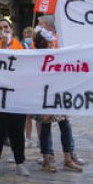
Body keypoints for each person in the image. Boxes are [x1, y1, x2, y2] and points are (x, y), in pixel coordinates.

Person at [32, 32, 83, 173]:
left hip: (58, 96)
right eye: (49, 41)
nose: (52, 43)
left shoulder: (58, 55)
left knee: (65, 125)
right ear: (43, 42)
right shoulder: (35, 57)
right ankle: (48, 159)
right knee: (45, 127)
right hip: (44, 98)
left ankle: (68, 159)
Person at [0, 19, 29, 177]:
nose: (3, 30)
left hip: (17, 97)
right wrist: (2, 46)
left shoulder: (21, 47)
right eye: (0, 28)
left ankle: (20, 163)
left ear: (11, 30)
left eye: (6, 27)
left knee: (17, 133)